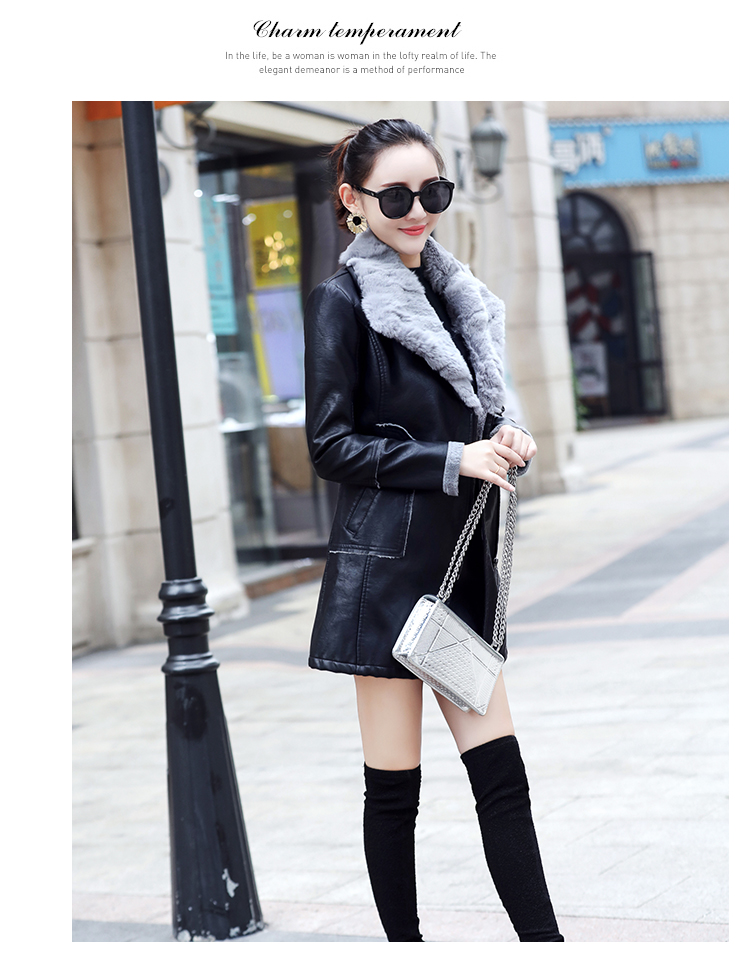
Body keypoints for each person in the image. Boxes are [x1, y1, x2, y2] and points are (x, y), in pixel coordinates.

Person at [303, 118, 564, 943]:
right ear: (353, 200)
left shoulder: (460, 297)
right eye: (396, 196)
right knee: (395, 791)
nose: (418, 210)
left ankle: (547, 947)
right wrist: (452, 458)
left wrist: (505, 435)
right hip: (383, 577)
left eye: (434, 192)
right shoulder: (342, 302)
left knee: (503, 778)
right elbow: (330, 446)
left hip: (458, 570)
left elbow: (478, 415)